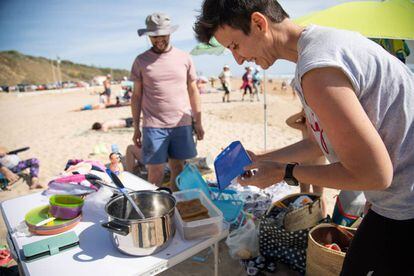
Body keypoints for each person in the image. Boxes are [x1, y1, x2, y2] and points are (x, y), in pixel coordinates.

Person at [194, 0, 414, 274]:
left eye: (235, 46)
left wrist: (285, 172)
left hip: (405, 207)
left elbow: (376, 175)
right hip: (391, 201)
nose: (237, 60)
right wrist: (262, 158)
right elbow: (315, 143)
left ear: (260, 23)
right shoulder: (316, 52)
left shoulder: (317, 68)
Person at [130, 12, 204, 189]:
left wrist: (198, 122)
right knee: (155, 171)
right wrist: (135, 127)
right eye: (154, 36)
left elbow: (193, 90)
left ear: (170, 33)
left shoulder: (184, 58)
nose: (158, 39)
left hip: (182, 123)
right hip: (153, 125)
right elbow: (136, 97)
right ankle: (153, 210)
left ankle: (173, 207)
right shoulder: (141, 61)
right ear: (148, 36)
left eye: (162, 34)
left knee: (178, 168)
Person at [285, 109, 326, 216]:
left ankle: (322, 217)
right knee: (303, 193)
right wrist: (301, 113)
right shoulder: (304, 127)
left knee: (319, 196)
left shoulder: (322, 129)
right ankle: (304, 216)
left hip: (319, 169)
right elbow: (289, 122)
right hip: (304, 166)